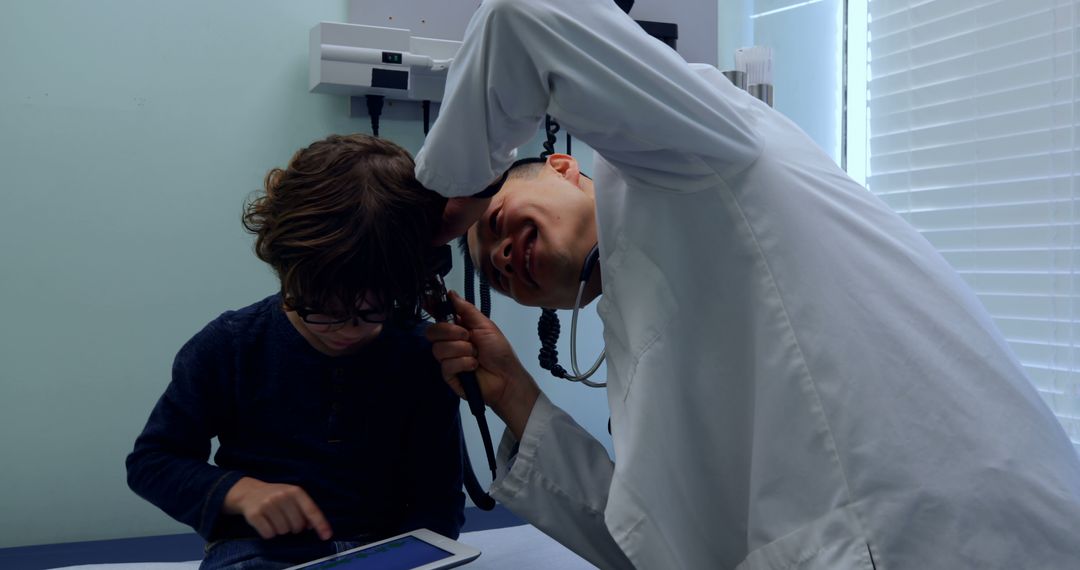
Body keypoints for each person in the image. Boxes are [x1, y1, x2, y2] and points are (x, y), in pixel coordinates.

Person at [413, 0, 1080, 568]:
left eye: (496, 221)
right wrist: (514, 394)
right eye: (498, 271)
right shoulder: (642, 348)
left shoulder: (691, 158)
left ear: (563, 166)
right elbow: (652, 543)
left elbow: (522, 17)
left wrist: (445, 199)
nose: (502, 254)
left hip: (942, 534)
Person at [126, 134, 465, 570]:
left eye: (371, 311)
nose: (346, 330)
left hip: (387, 549)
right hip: (262, 551)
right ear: (285, 269)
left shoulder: (422, 354)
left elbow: (439, 504)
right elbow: (152, 462)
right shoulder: (230, 346)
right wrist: (239, 491)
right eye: (322, 309)